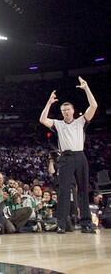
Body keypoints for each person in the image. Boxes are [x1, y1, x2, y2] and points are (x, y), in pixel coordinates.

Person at [39, 76, 98, 233]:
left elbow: (94, 105)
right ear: (61, 112)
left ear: (73, 110)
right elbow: (42, 119)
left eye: (68, 109)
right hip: (65, 158)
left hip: (80, 156)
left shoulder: (81, 121)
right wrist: (49, 103)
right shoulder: (58, 124)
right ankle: (61, 224)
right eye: (63, 110)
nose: (65, 112)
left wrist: (86, 88)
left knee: (84, 190)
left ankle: (86, 223)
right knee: (64, 190)